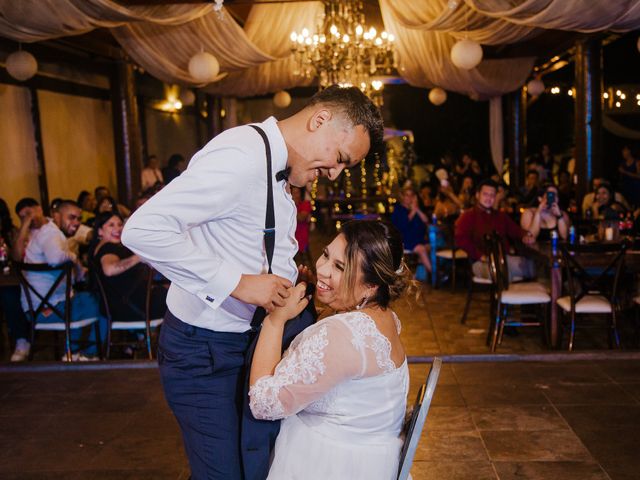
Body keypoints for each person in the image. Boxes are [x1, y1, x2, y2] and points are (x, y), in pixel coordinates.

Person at [121, 84, 384, 480]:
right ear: (320, 120)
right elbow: (142, 230)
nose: (334, 173)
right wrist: (235, 283)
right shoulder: (241, 156)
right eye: (340, 159)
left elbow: (248, 238)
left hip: (247, 344)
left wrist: (292, 275)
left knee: (255, 468)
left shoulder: (278, 166)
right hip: (204, 351)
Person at [249, 220, 409, 480]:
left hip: (327, 465)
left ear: (371, 286)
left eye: (339, 267)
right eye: (325, 255)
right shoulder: (386, 317)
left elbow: (263, 403)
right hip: (371, 462)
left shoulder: (341, 334)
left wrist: (275, 320)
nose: (321, 269)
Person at [20, 199, 106, 360]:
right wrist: (74, 258)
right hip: (47, 311)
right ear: (56, 215)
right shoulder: (51, 233)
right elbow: (54, 258)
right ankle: (89, 353)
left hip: (40, 308)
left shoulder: (48, 232)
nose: (76, 223)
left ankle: (72, 352)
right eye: (71, 217)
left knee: (77, 298)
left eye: (79, 219)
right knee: (105, 304)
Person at [91, 212, 167, 324]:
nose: (117, 229)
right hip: (130, 308)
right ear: (100, 231)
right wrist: (139, 257)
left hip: (119, 307)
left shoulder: (99, 248)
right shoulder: (108, 248)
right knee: (179, 300)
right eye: (111, 225)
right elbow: (109, 269)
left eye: (120, 224)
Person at [455, 179, 535, 281]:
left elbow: (516, 230)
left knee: (533, 267)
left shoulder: (500, 216)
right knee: (503, 272)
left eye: (492, 195)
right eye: (485, 194)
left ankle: (536, 296)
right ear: (477, 195)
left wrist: (526, 235)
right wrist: (480, 255)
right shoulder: (468, 216)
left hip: (504, 258)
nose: (489, 198)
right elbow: (460, 239)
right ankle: (506, 296)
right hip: (481, 262)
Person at [0, 198, 31, 361]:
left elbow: (18, 258)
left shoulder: (11, 232)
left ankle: (21, 340)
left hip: (11, 278)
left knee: (9, 294)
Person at [391, 186, 431, 275]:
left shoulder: (414, 209)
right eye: (407, 195)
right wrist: (413, 211)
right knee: (421, 249)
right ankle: (435, 274)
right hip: (405, 240)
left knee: (431, 246)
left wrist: (416, 209)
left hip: (418, 239)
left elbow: (426, 220)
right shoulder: (398, 209)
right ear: (402, 197)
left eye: (411, 195)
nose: (409, 198)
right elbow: (403, 225)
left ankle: (422, 275)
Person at [291, 186, 312, 266]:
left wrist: (293, 206)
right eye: (293, 193)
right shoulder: (289, 205)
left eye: (297, 193)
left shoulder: (305, 204)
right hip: (290, 234)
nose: (295, 195)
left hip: (301, 235)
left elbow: (301, 218)